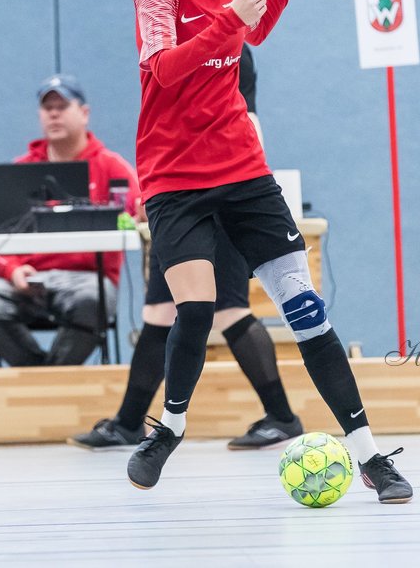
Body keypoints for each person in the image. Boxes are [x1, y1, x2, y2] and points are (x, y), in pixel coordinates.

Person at [124, 0, 413, 502]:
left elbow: (258, 29)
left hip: (243, 171)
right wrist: (226, 20)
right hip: (175, 178)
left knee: (307, 312)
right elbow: (164, 71)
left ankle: (369, 455)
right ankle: (168, 428)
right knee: (196, 310)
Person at [69, 45, 305, 450]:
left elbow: (245, 119)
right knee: (160, 312)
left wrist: (236, 197)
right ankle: (129, 422)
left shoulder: (228, 44)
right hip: (178, 197)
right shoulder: (174, 44)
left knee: (230, 309)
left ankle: (282, 416)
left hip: (222, 190)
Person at [0, 74, 139, 366]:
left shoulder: (112, 167)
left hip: (89, 279)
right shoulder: (19, 171)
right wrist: (12, 271)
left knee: (92, 302)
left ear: (84, 114)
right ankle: (43, 379)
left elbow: (134, 215)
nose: (54, 113)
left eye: (63, 106)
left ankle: (50, 381)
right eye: (48, 108)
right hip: (27, 277)